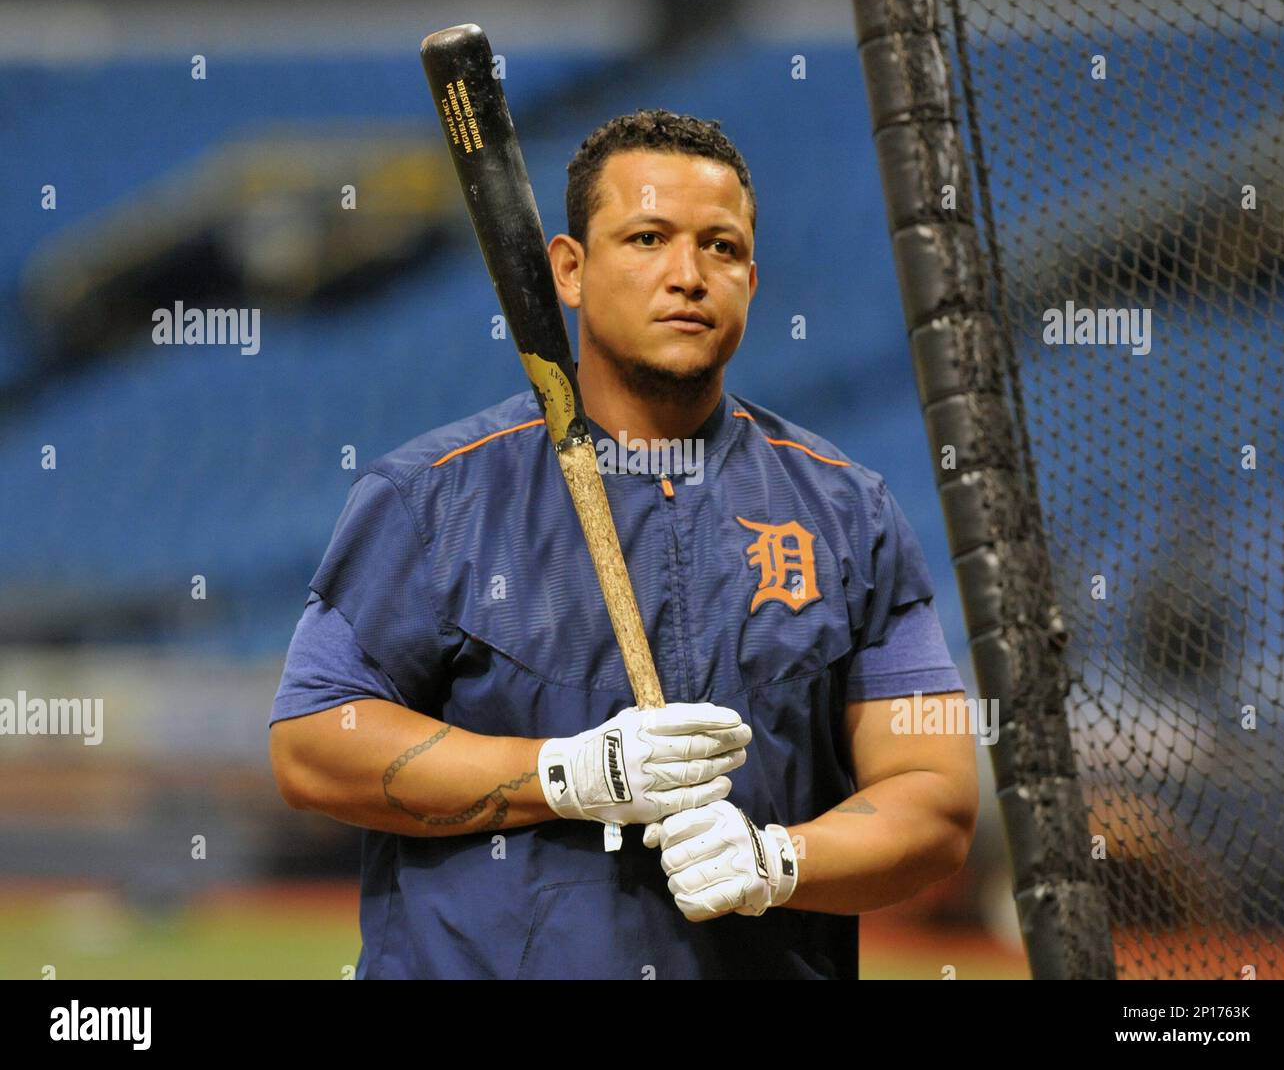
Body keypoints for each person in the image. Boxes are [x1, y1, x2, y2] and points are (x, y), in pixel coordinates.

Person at [268, 108, 978, 979]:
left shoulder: (849, 515)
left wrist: (776, 862)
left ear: (752, 279)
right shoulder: (431, 497)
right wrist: (568, 775)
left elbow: (935, 799)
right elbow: (313, 744)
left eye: (720, 248)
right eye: (648, 238)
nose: (688, 275)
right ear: (569, 270)